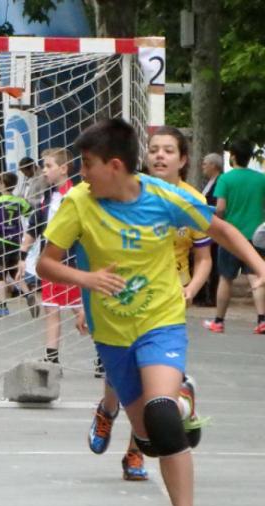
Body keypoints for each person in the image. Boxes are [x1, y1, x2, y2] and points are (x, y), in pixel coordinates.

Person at [36, 118, 265, 506]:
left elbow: (222, 232)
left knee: (159, 415)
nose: (81, 173)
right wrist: (85, 278)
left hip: (160, 321)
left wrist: (260, 265)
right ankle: (182, 403)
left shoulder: (166, 197)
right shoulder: (78, 202)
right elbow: (46, 264)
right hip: (112, 333)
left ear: (115, 166)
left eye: (87, 165)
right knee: (150, 439)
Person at [88, 126, 213, 482]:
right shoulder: (126, 191)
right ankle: (107, 409)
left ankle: (135, 451)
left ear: (183, 159)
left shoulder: (188, 200)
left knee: (153, 389)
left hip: (167, 299)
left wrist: (192, 288)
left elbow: (204, 257)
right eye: (154, 149)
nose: (160, 156)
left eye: (169, 150)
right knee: (117, 371)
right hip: (119, 296)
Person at [19, 148, 85, 364]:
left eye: (48, 166)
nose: (44, 171)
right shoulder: (47, 198)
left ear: (64, 169)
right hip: (50, 262)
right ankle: (51, 359)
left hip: (71, 263)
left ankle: (105, 356)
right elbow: (34, 227)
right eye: (43, 166)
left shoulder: (76, 195)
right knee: (51, 309)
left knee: (80, 310)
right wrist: (21, 256)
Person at [202, 139, 265, 334]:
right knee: (256, 277)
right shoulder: (261, 179)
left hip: (231, 236)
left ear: (234, 157)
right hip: (255, 236)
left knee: (226, 278)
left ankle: (219, 321)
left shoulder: (226, 179)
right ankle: (262, 320)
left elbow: (220, 208)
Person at [0, 172, 32, 317]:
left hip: (1, 241)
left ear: (4, 184)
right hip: (15, 241)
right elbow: (30, 214)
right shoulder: (20, 201)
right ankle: (28, 294)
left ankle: (2, 306)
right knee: (13, 271)